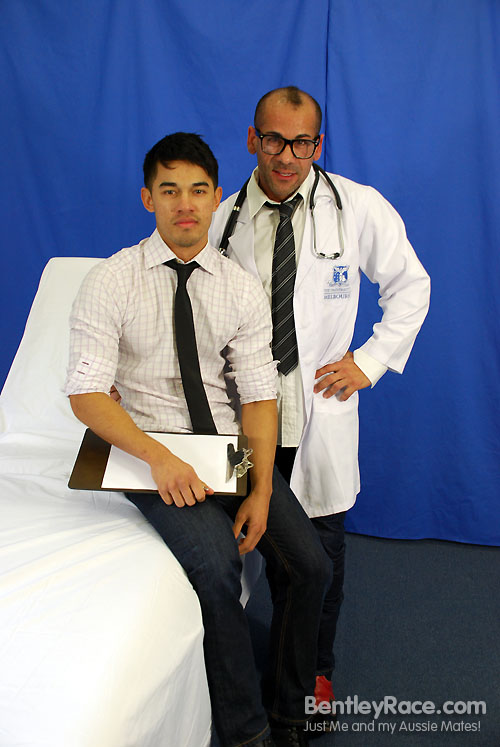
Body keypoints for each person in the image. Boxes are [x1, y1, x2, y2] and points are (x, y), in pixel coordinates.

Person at [65, 132, 330, 747]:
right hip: (147, 447)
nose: (184, 204)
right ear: (148, 199)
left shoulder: (238, 286)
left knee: (310, 565)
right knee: (214, 567)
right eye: (169, 190)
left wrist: (259, 489)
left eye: (197, 190)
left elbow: (258, 396)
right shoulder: (111, 280)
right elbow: (86, 394)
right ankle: (246, 732)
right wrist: (159, 459)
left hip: (224, 447)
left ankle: (291, 711)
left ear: (216, 198)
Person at [210, 87, 431, 720]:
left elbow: (410, 285)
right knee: (241, 547)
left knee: (321, 557)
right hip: (245, 417)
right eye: (273, 140)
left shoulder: (356, 207)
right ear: (252, 139)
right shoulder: (224, 220)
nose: (286, 156)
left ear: (318, 144)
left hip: (316, 414)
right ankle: (242, 667)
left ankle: (313, 674)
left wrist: (369, 361)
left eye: (301, 142)